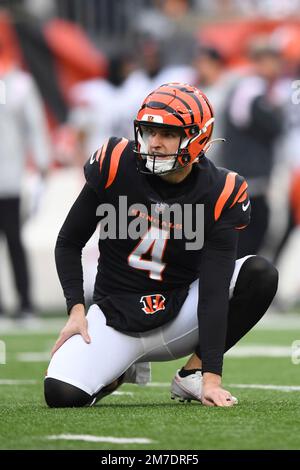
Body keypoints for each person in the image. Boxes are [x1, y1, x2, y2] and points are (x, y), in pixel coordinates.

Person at [44, 83, 278, 408]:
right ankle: (117, 371)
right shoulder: (115, 162)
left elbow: (213, 289)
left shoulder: (221, 190)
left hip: (181, 314)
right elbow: (68, 241)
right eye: (150, 131)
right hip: (115, 316)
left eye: (168, 134)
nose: (155, 143)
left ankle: (190, 375)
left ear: (199, 138)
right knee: (61, 394)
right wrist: (76, 310)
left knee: (259, 273)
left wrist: (211, 376)